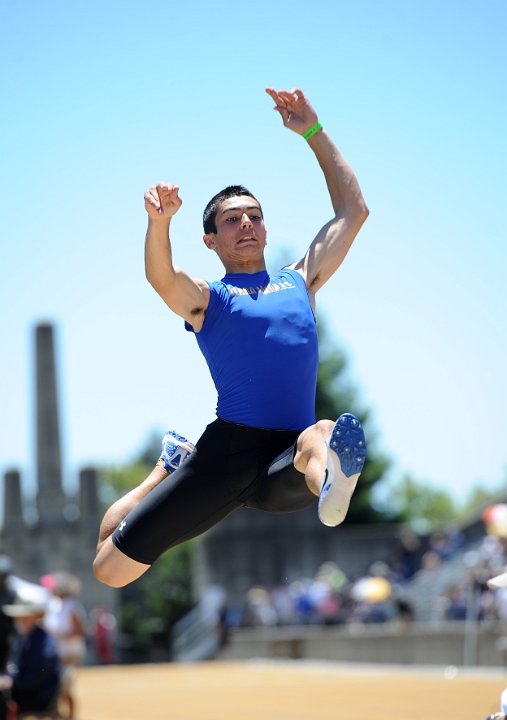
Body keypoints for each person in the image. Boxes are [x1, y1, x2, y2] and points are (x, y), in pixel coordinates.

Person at [94, 86, 369, 590]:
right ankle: (165, 469)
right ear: (212, 240)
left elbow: (354, 212)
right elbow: (162, 279)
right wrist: (159, 224)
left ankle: (330, 485)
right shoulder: (210, 298)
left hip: (288, 448)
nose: (246, 222)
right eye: (232, 219)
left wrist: (313, 131)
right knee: (109, 569)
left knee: (325, 433)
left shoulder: (301, 280)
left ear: (265, 229)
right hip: (225, 455)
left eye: (255, 216)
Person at [0, 599, 60, 720]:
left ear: (34, 618)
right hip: (26, 691)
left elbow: (41, 673)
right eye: (18, 618)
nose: (20, 621)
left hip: (38, 695)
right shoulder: (25, 638)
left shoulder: (43, 641)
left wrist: (12, 683)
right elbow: (15, 666)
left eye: (24, 618)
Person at [42, 572, 86, 720]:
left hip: (70, 654)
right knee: (55, 689)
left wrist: (61, 636)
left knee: (63, 689)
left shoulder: (72, 606)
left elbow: (80, 632)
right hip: (56, 654)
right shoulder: (54, 605)